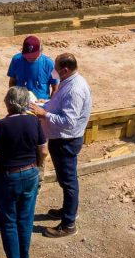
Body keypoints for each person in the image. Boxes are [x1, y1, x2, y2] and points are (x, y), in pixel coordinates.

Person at [0, 86, 49, 258]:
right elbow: (44, 151)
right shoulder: (34, 121)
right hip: (30, 173)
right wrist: (37, 168)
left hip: (8, 177)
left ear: (8, 103)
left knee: (9, 222)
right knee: (25, 219)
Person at [29, 53, 91, 238]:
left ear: (65, 69)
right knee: (65, 180)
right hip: (61, 138)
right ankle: (67, 210)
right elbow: (60, 104)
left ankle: (69, 224)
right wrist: (46, 104)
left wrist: (44, 114)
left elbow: (69, 121)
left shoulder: (75, 89)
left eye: (55, 68)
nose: (53, 71)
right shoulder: (69, 81)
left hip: (66, 140)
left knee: (69, 181)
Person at [8, 35, 59, 100]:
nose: (30, 59)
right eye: (27, 56)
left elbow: (56, 88)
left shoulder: (50, 63)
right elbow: (12, 82)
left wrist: (49, 104)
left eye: (34, 56)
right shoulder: (16, 60)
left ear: (40, 51)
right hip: (20, 103)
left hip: (41, 105)